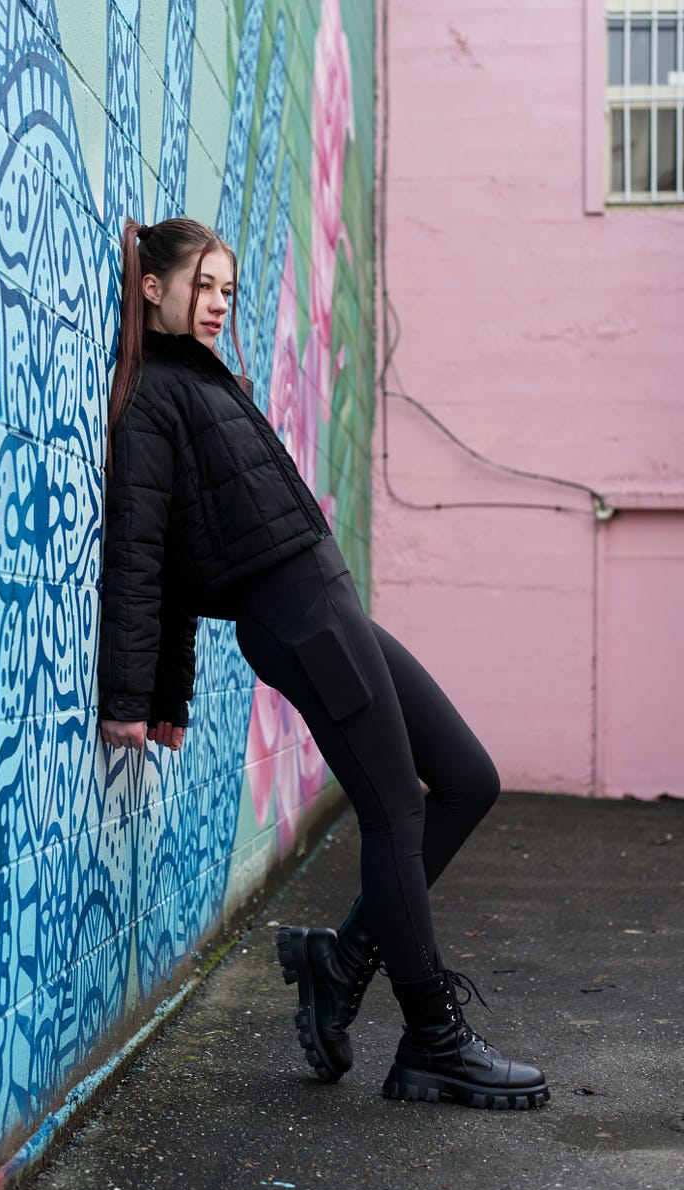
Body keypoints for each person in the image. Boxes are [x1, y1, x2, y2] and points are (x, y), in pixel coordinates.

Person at [98, 217, 549, 1111]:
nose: (220, 303)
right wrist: (138, 694)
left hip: (328, 606)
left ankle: (340, 962)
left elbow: (190, 544)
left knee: (468, 778)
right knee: (396, 809)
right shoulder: (155, 397)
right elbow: (146, 556)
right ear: (153, 288)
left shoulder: (208, 379)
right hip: (301, 620)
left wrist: (170, 692)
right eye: (203, 285)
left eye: (229, 289)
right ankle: (432, 1040)